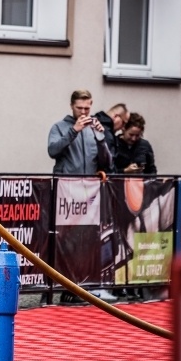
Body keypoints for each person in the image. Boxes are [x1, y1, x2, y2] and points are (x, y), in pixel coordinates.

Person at [48, 89, 115, 303]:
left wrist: (101, 139)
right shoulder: (60, 127)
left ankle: (85, 287)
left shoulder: (93, 129)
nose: (84, 112)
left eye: (87, 108)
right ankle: (62, 289)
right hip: (67, 194)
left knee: (87, 240)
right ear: (72, 106)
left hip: (90, 195)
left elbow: (107, 162)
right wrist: (73, 131)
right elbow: (52, 150)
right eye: (80, 108)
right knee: (66, 241)